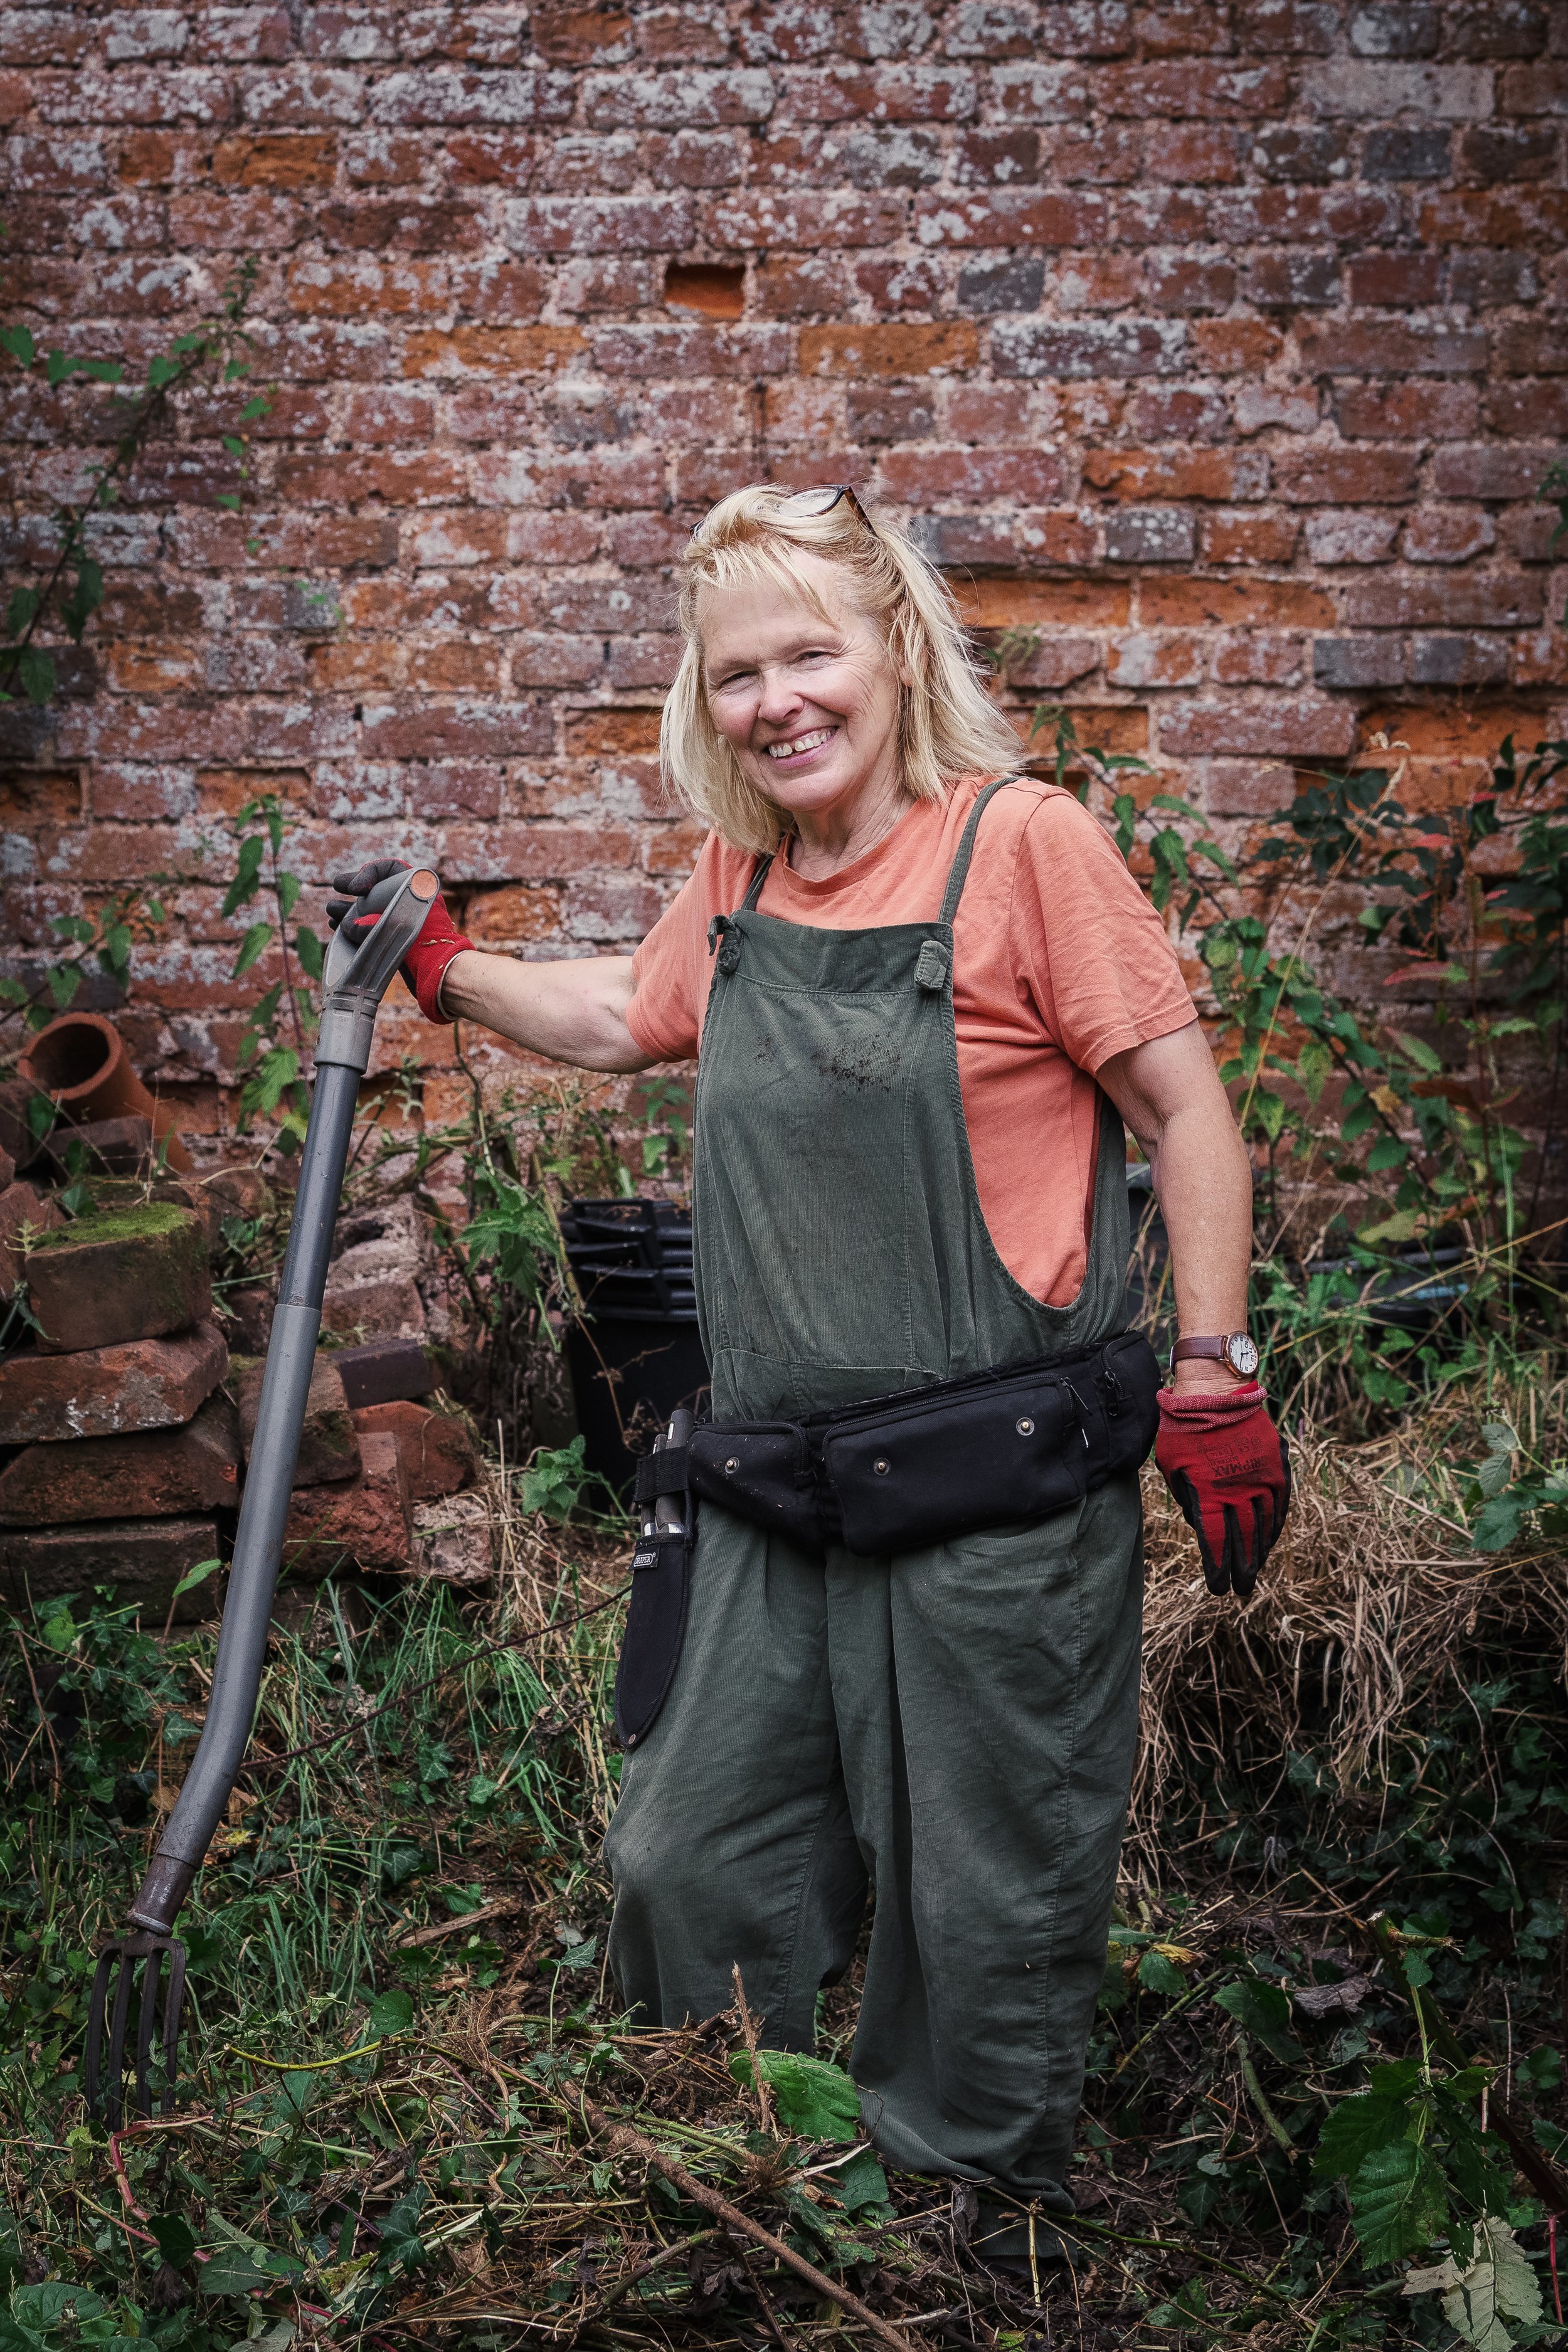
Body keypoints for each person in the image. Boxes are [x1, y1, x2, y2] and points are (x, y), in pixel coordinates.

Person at [327, 485, 1289, 2273]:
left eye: (807, 653)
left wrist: (1212, 1370)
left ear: (894, 648)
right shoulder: (743, 876)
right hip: (775, 1482)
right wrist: (445, 971)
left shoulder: (1024, 846)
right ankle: (750, 2174)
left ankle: (959, 2227)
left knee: (980, 1886)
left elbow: (1185, 1110)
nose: (776, 700)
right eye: (737, 671)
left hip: (990, 1488)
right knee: (686, 1856)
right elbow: (625, 1014)